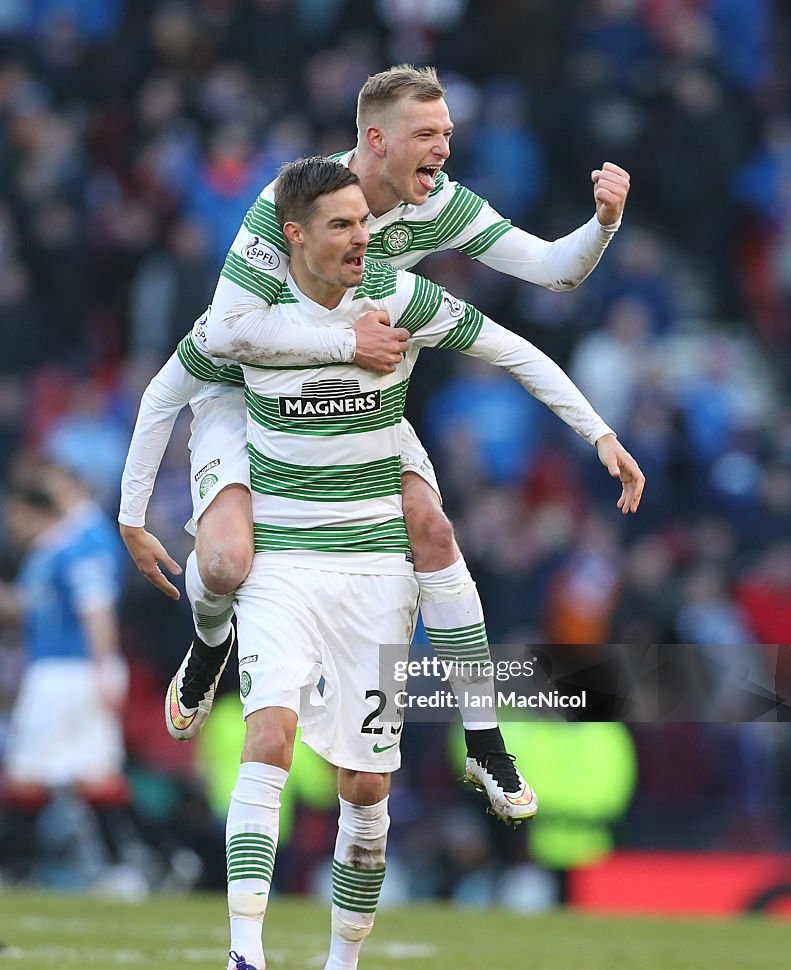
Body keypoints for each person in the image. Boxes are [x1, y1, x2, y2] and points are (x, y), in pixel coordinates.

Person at [120, 64, 631, 822]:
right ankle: (208, 643)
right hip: (243, 390)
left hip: (355, 390)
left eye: (449, 134)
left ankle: (486, 745)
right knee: (225, 564)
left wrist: (601, 225)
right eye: (428, 135)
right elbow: (228, 334)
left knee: (432, 528)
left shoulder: (441, 210)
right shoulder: (290, 204)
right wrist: (339, 342)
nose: (444, 150)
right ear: (375, 139)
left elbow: (553, 273)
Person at [197, 156, 642, 970]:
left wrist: (598, 433)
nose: (364, 236)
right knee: (268, 741)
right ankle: (242, 962)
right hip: (284, 562)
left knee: (367, 790)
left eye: (366, 226)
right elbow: (194, 363)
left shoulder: (402, 295)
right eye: (344, 225)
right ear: (299, 234)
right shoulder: (249, 309)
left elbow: (517, 345)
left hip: (373, 575)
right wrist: (138, 507)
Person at [0, 466, 132, 884]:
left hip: (68, 672)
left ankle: (17, 868)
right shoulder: (54, 547)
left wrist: (107, 666)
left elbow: (97, 609)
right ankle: (123, 867)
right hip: (59, 670)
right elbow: (33, 606)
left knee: (31, 771)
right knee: (92, 773)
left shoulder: (82, 543)